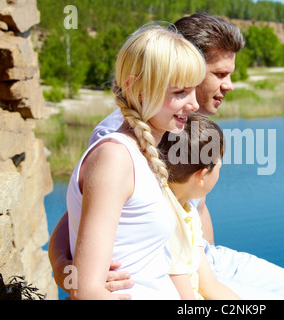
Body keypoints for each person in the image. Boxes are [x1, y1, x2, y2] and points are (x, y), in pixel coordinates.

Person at [49, 13, 284, 300]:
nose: (229, 85)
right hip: (181, 272)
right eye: (219, 74)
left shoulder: (183, 124)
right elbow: (77, 217)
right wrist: (65, 271)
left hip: (203, 261)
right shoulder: (119, 147)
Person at [65, 24, 206, 299]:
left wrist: (60, 263)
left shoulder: (141, 151)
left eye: (194, 90)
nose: (194, 104)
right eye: (180, 92)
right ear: (136, 89)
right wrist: (65, 269)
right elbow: (87, 289)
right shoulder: (115, 158)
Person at [160, 112, 240, 300]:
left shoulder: (187, 209)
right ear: (202, 176)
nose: (220, 170)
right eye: (219, 167)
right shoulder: (168, 220)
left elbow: (209, 284)